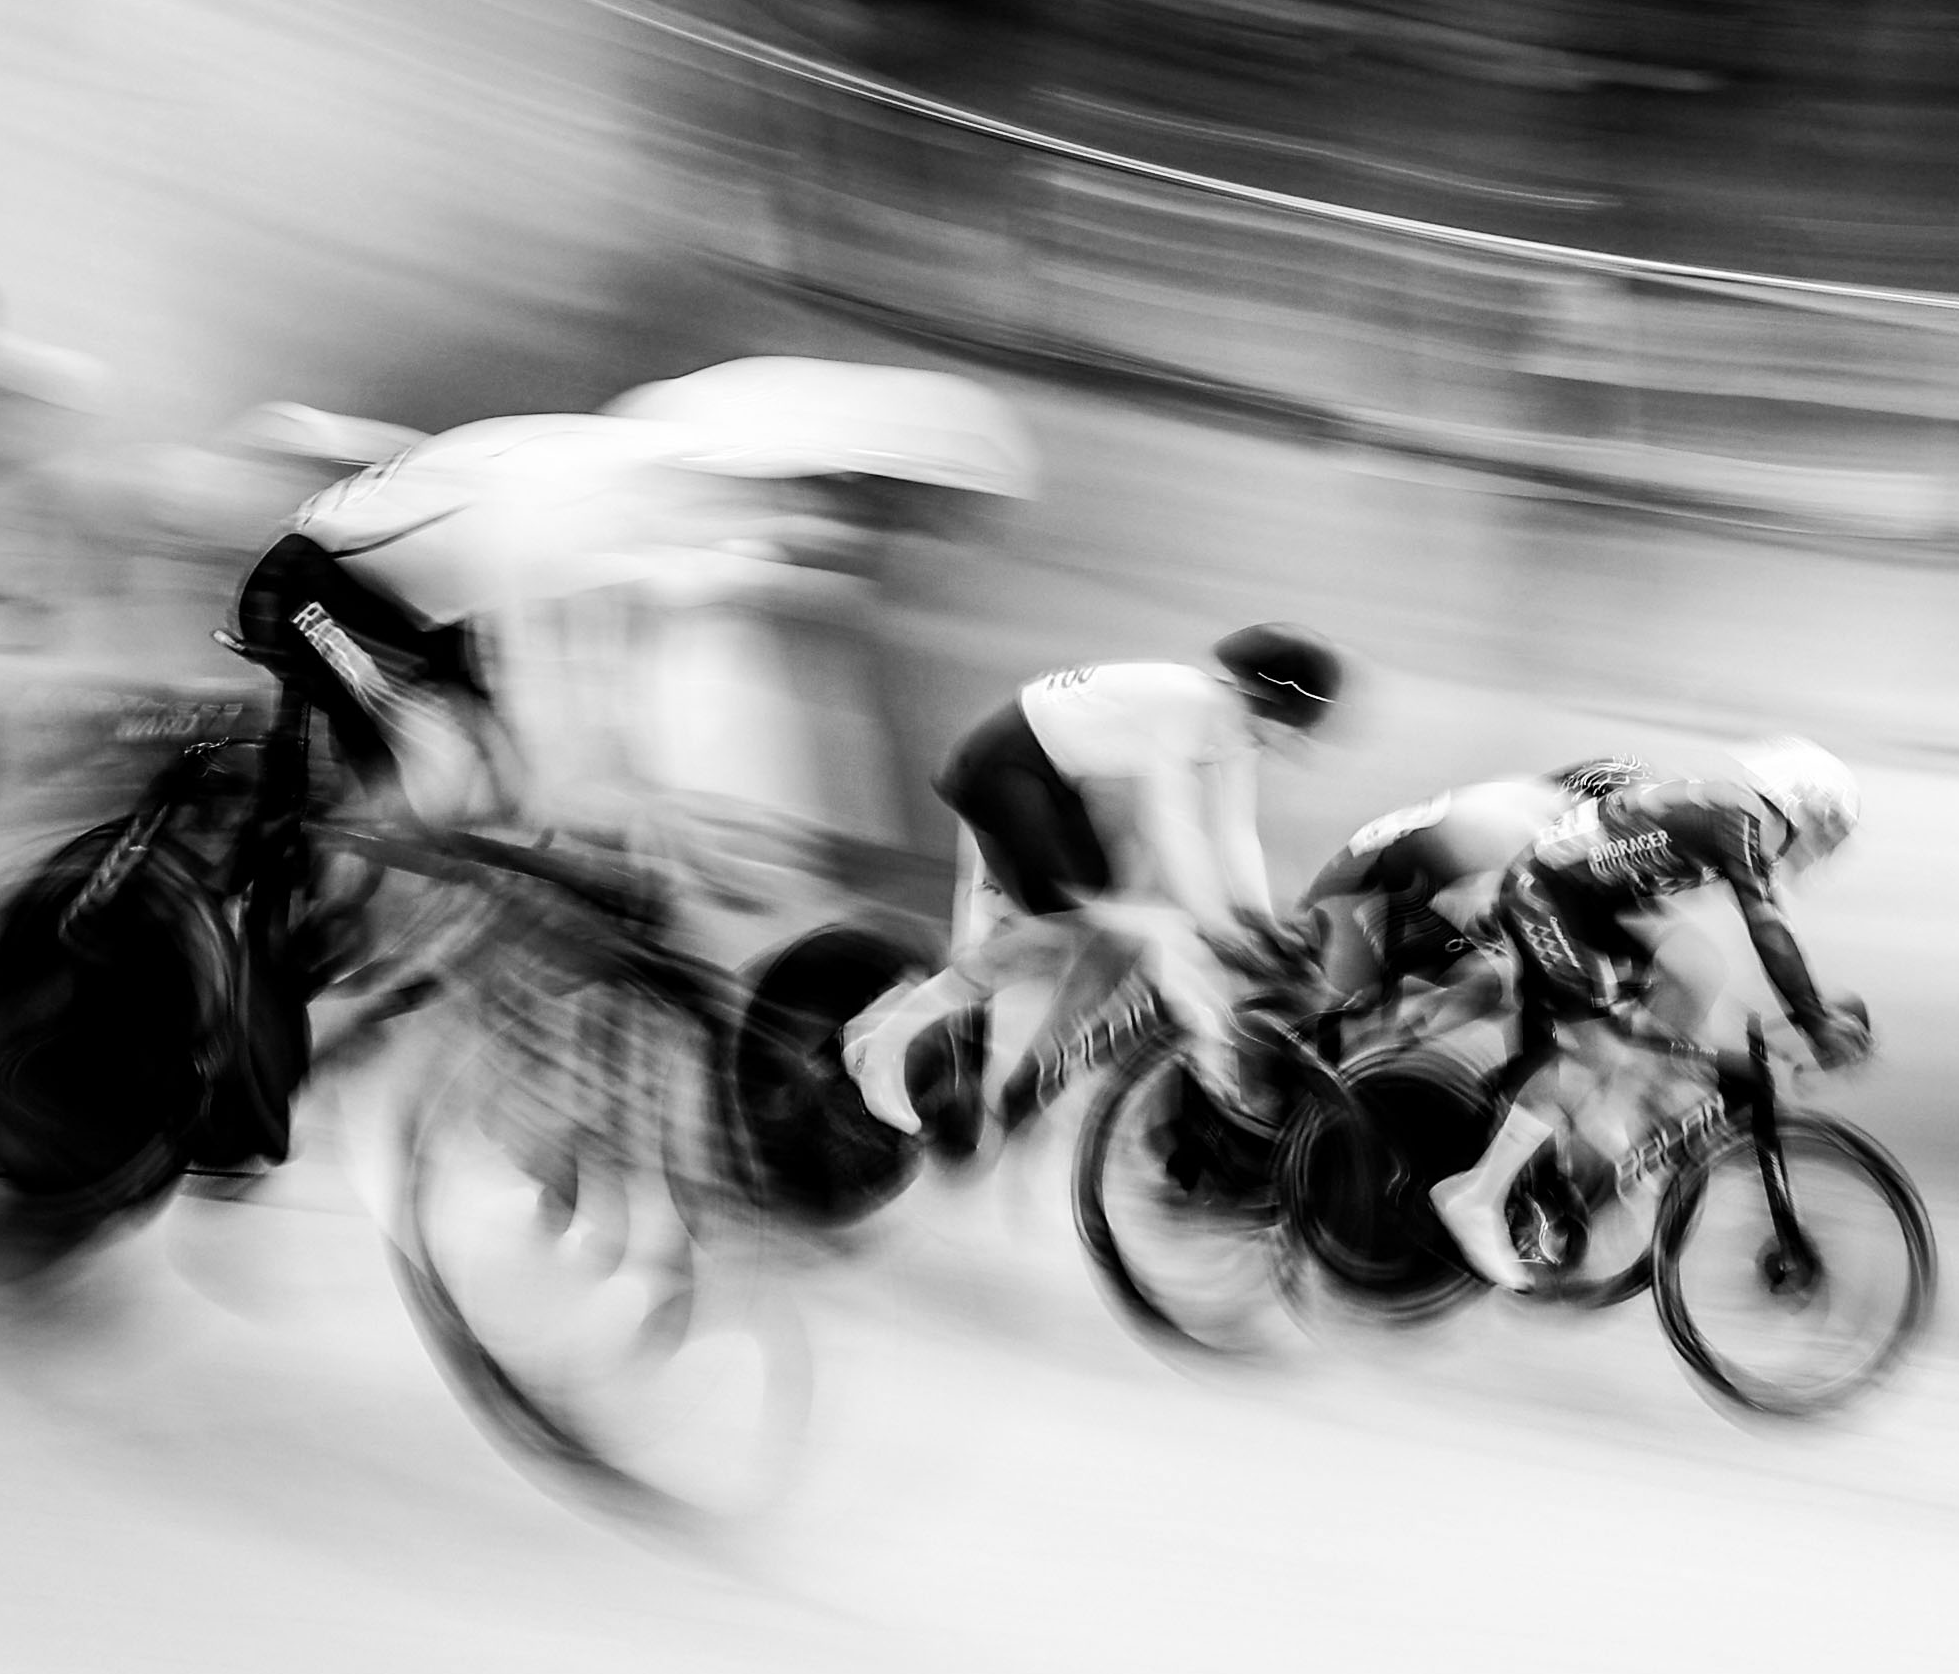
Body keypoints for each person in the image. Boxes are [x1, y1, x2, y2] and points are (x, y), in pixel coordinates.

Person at [216, 364, 1030, 1151]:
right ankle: (257, 992)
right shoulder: (615, 506)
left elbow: (675, 692)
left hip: (428, 609)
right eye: (872, 511)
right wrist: (609, 799)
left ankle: (350, 950)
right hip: (315, 589)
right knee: (434, 797)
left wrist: (685, 818)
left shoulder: (703, 519)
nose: (853, 541)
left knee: (502, 822)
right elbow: (564, 674)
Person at [853, 624, 1345, 1148]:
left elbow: (1234, 833)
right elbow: (1172, 825)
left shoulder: (1237, 731)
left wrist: (1260, 921)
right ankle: (879, 1039)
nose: (1294, 745)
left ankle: (1032, 1077)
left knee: (1118, 933)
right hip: (1003, 767)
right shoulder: (1190, 702)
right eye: (1296, 731)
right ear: (1267, 702)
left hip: (1051, 780)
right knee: (1073, 928)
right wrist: (1219, 925)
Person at [1424, 736, 1866, 1296]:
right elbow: (1767, 925)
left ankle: (1621, 1107)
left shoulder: (1734, 818)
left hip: (1585, 905)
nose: (1823, 850)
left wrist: (1812, 1013)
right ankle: (1475, 1195)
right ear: (1800, 807)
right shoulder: (1740, 816)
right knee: (1597, 1048)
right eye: (1827, 833)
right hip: (1542, 898)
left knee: (1694, 972)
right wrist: (1814, 1017)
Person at [1295, 755, 1643, 1031]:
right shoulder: (1536, 830)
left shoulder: (1527, 796)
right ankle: (1375, 1060)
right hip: (1364, 898)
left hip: (1368, 884)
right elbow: (1516, 926)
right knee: (1497, 981)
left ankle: (1380, 1051)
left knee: (1494, 978)